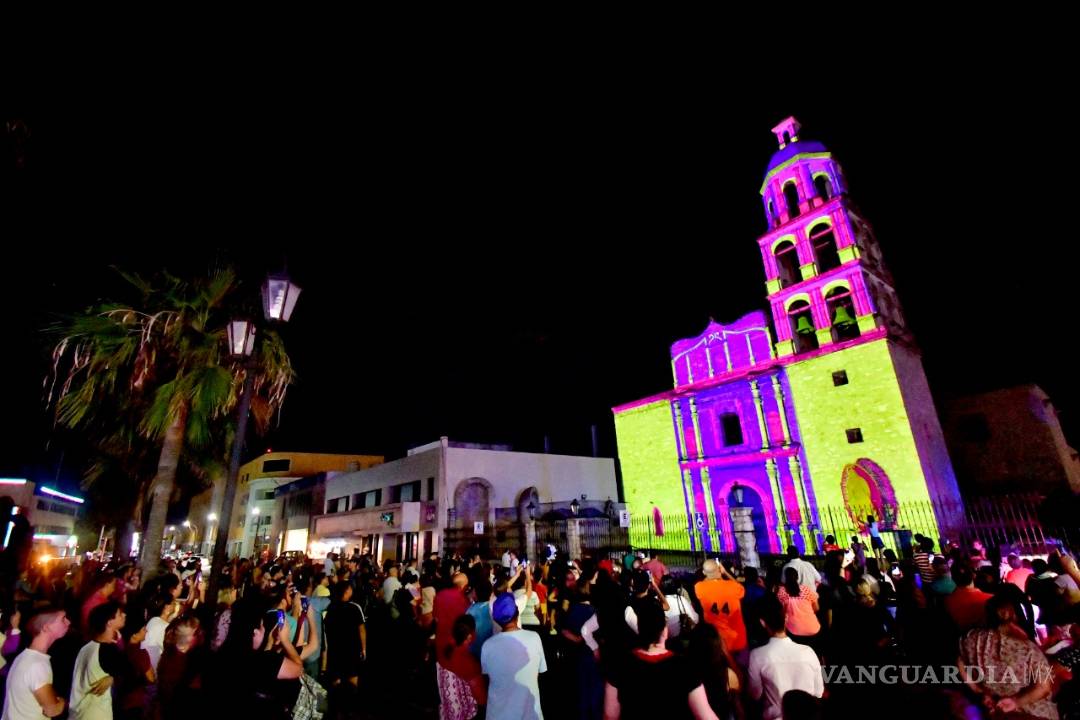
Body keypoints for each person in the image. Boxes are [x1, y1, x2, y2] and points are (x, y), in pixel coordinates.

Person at [603, 602, 718, 720]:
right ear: (664, 631)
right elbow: (705, 716)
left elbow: (610, 714)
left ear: (639, 629)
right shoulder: (685, 668)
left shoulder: (620, 664)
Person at [958, 591, 1057, 719]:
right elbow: (1043, 687)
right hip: (1028, 713)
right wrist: (1016, 702)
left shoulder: (969, 639)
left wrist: (978, 690)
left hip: (990, 709)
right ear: (1012, 614)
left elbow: (960, 663)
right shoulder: (1027, 648)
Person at [747, 595, 823, 720]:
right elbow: (818, 692)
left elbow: (755, 694)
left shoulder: (757, 655)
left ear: (762, 622)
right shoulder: (808, 652)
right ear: (786, 618)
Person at [481, 592, 547, 720]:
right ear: (517, 614)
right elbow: (537, 673)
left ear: (496, 619)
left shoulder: (487, 646)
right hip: (530, 714)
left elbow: (488, 677)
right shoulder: (534, 638)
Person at [2, 608, 70, 720]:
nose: (68, 622)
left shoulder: (26, 656)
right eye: (63, 619)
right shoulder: (37, 664)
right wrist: (63, 702)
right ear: (46, 627)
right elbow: (52, 710)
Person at [70, 602, 126, 720]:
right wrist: (113, 677)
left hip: (79, 713)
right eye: (120, 614)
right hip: (97, 713)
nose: (124, 615)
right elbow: (129, 672)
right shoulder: (108, 650)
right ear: (109, 622)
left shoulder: (86, 647)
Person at [694, 559, 747, 660]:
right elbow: (740, 587)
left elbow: (706, 580)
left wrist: (712, 574)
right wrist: (724, 573)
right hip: (738, 640)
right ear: (719, 569)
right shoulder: (732, 586)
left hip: (717, 644)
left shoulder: (699, 587)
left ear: (704, 572)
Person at [776, 567, 820, 653]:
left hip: (794, 632)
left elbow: (782, 613)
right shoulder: (806, 589)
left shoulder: (781, 592)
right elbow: (817, 608)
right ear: (797, 577)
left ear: (785, 578)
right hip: (814, 629)